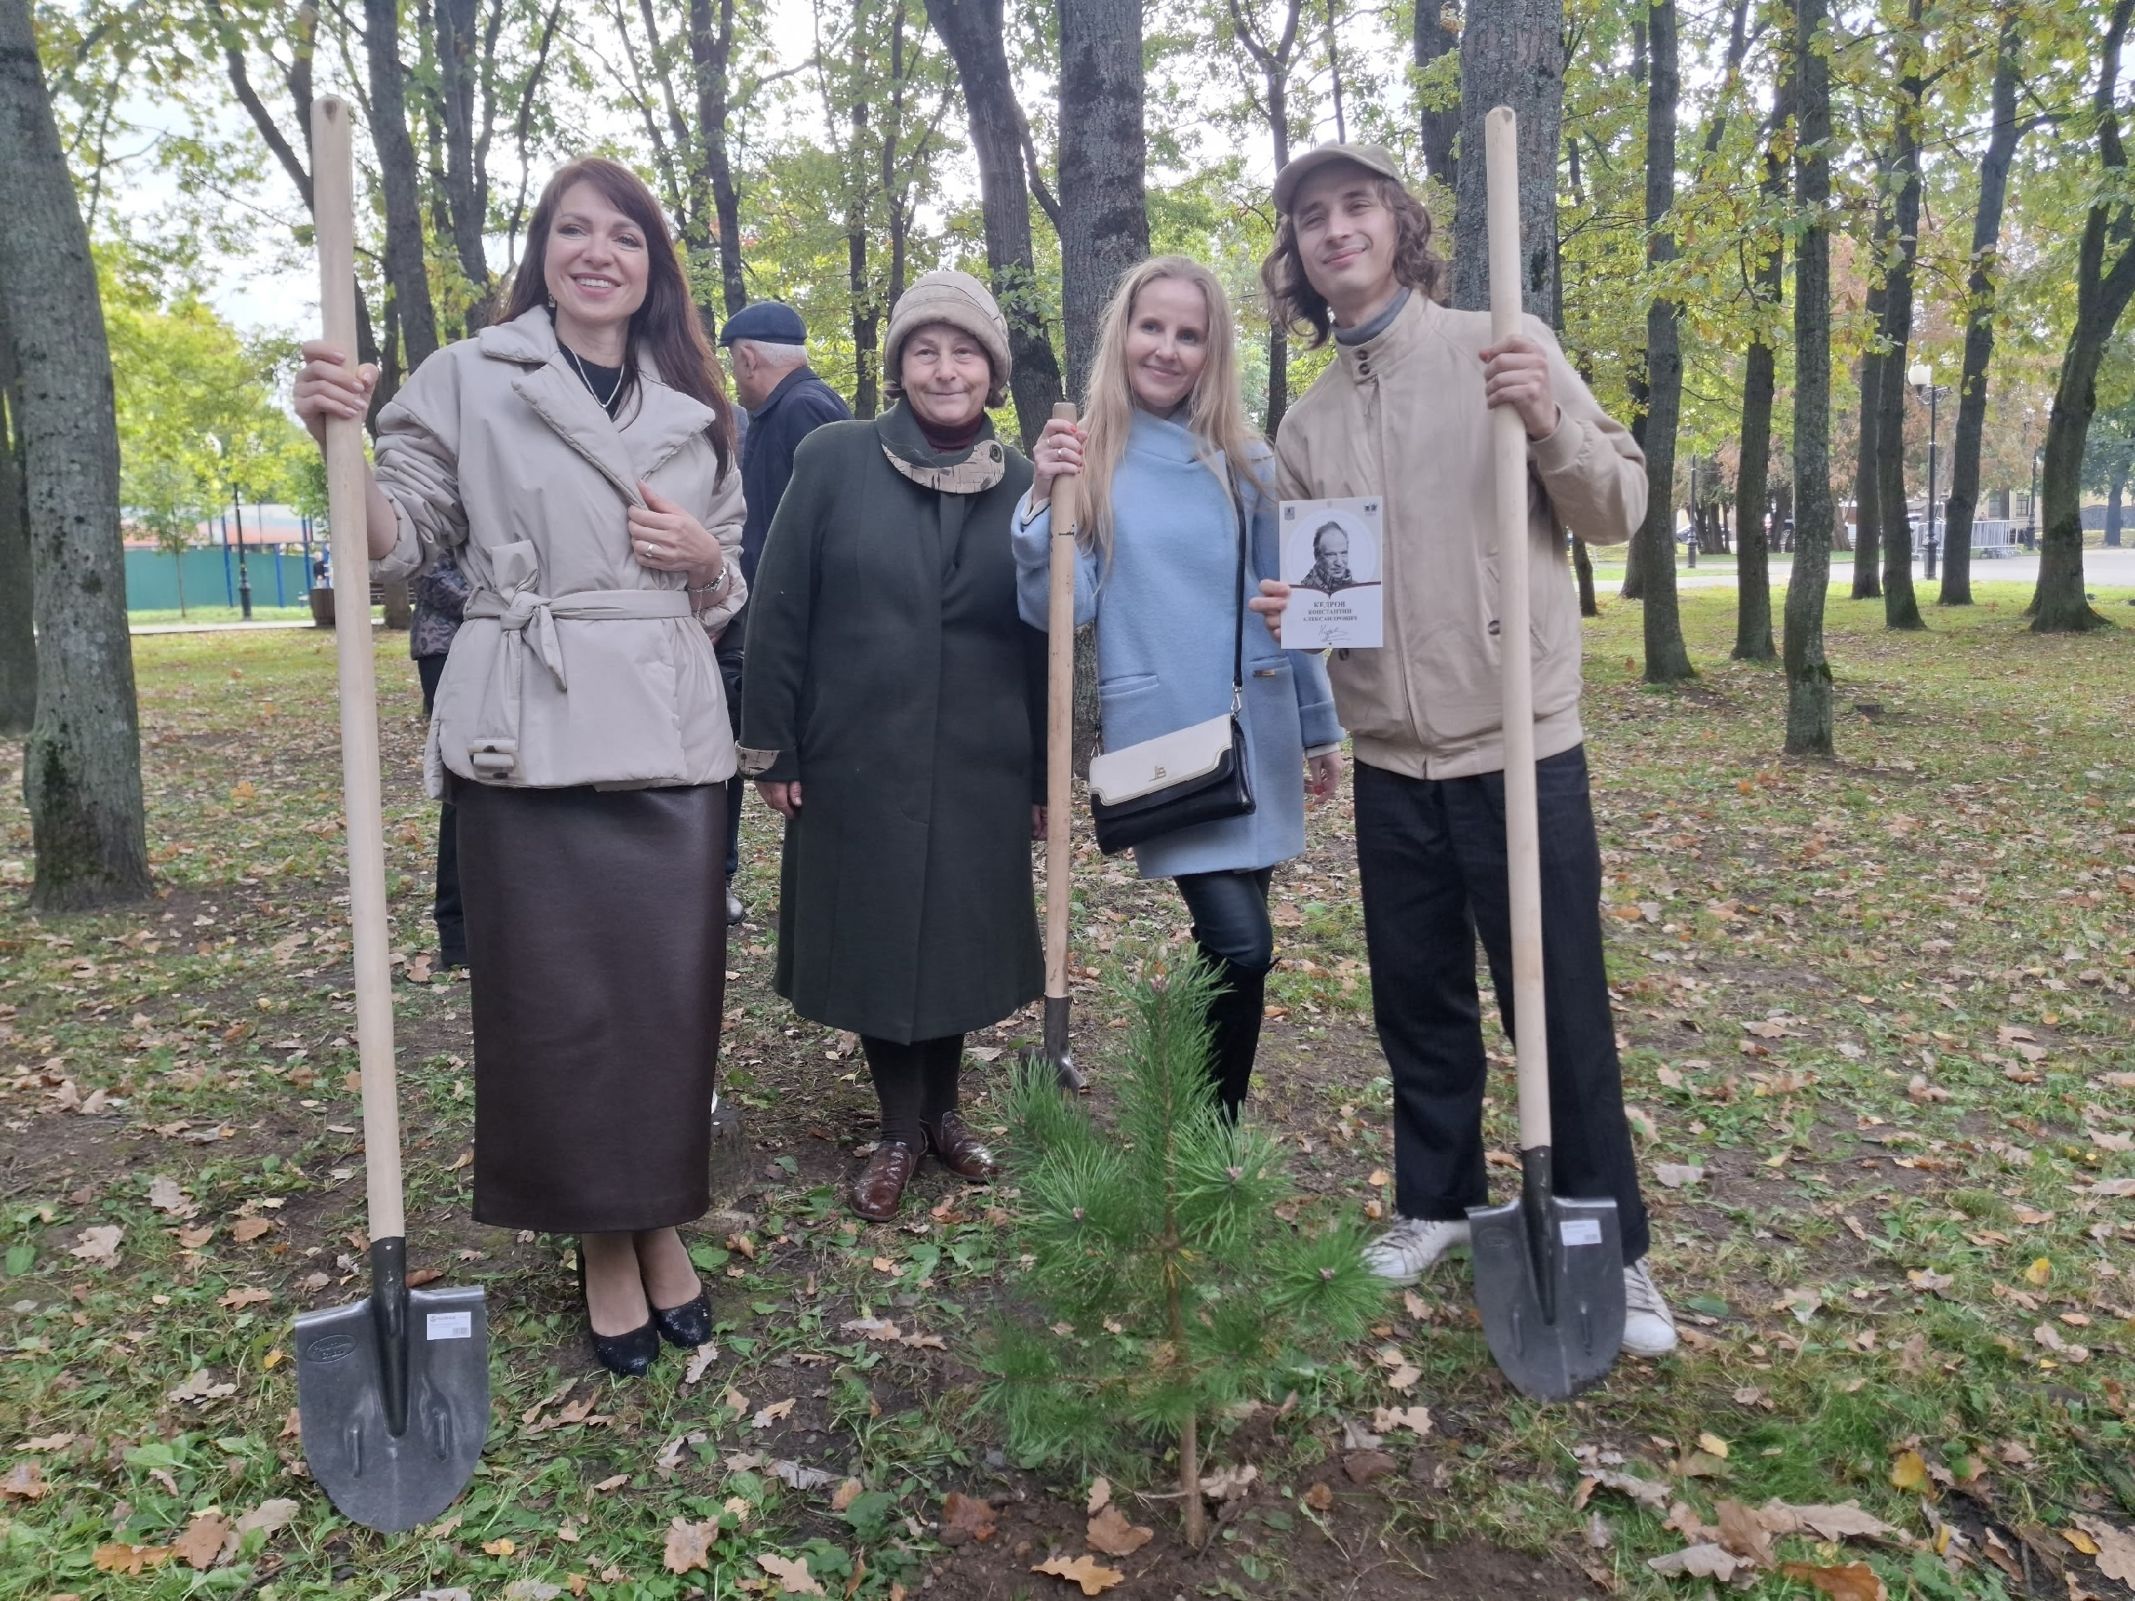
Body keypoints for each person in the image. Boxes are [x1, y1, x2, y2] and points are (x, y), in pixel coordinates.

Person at [292, 156, 747, 1379]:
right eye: (572, 230)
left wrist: (705, 553)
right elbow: (395, 538)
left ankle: (654, 1217)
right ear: (540, 249)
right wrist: (337, 434)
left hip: (667, 729)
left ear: (654, 268)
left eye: (626, 237)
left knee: (662, 1007)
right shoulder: (469, 377)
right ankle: (606, 1244)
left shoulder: (695, 402)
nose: (598, 251)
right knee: (558, 1011)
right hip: (530, 723)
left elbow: (726, 579)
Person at [1251, 143, 1677, 1356]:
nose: (1334, 231)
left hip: (1519, 745)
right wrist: (1299, 617)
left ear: (1397, 223)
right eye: (1311, 218)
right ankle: (1434, 1200)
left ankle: (1614, 1244)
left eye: (1354, 208)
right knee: (1416, 1002)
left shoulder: (1502, 343)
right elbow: (1330, 597)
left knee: (1558, 1009)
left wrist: (1546, 422)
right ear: (1297, 253)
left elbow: (1617, 508)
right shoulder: (1309, 421)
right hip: (1393, 756)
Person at [740, 269, 1045, 1223]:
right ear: (899, 365)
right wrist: (773, 745)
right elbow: (781, 604)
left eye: (964, 352)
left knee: (955, 932)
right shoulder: (834, 457)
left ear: (991, 372)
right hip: (856, 750)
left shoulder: (1029, 485)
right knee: (878, 931)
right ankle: (899, 1126)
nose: (944, 368)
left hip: (979, 757)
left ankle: (944, 1112)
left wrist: (1042, 773)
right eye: (925, 349)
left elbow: (1044, 638)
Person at [1014, 256, 1342, 1120]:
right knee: (1241, 944)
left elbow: (1293, 603)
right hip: (1165, 735)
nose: (1164, 348)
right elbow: (1059, 607)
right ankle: (1210, 1121)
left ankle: (1207, 1123)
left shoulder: (1248, 460)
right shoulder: (1089, 456)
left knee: (1236, 947)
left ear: (1211, 351)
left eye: (1187, 334)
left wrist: (1318, 727)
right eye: (1149, 326)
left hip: (1258, 728)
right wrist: (1046, 497)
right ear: (1120, 333)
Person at [714, 302, 851, 925]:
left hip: (806, 626)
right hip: (762, 615)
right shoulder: (773, 416)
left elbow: (834, 530)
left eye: (733, 364)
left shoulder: (805, 410)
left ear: (746, 357)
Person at [409, 553, 471, 968]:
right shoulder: (442, 489)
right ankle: (458, 934)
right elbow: (428, 570)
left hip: (520, 638)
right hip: (448, 645)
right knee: (464, 784)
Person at [1298, 520, 1361, 593]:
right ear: (1317, 556)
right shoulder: (1303, 591)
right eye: (1331, 555)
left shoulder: (1358, 589)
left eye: (1343, 553)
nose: (1339, 563)